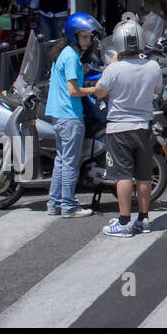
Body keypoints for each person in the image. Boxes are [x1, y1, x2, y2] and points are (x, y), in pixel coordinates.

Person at [94, 16, 163, 237]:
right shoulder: (153, 66)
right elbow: (158, 91)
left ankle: (124, 221)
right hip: (143, 126)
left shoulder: (114, 69)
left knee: (122, 175)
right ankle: (144, 219)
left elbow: (99, 92)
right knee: (143, 176)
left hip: (119, 128)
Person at [46, 13, 102, 218]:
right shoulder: (71, 57)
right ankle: (68, 206)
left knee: (61, 161)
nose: (88, 41)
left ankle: (54, 203)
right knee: (70, 162)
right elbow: (73, 90)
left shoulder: (65, 54)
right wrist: (94, 90)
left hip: (60, 115)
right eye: (85, 37)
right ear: (74, 36)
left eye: (89, 37)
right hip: (70, 116)